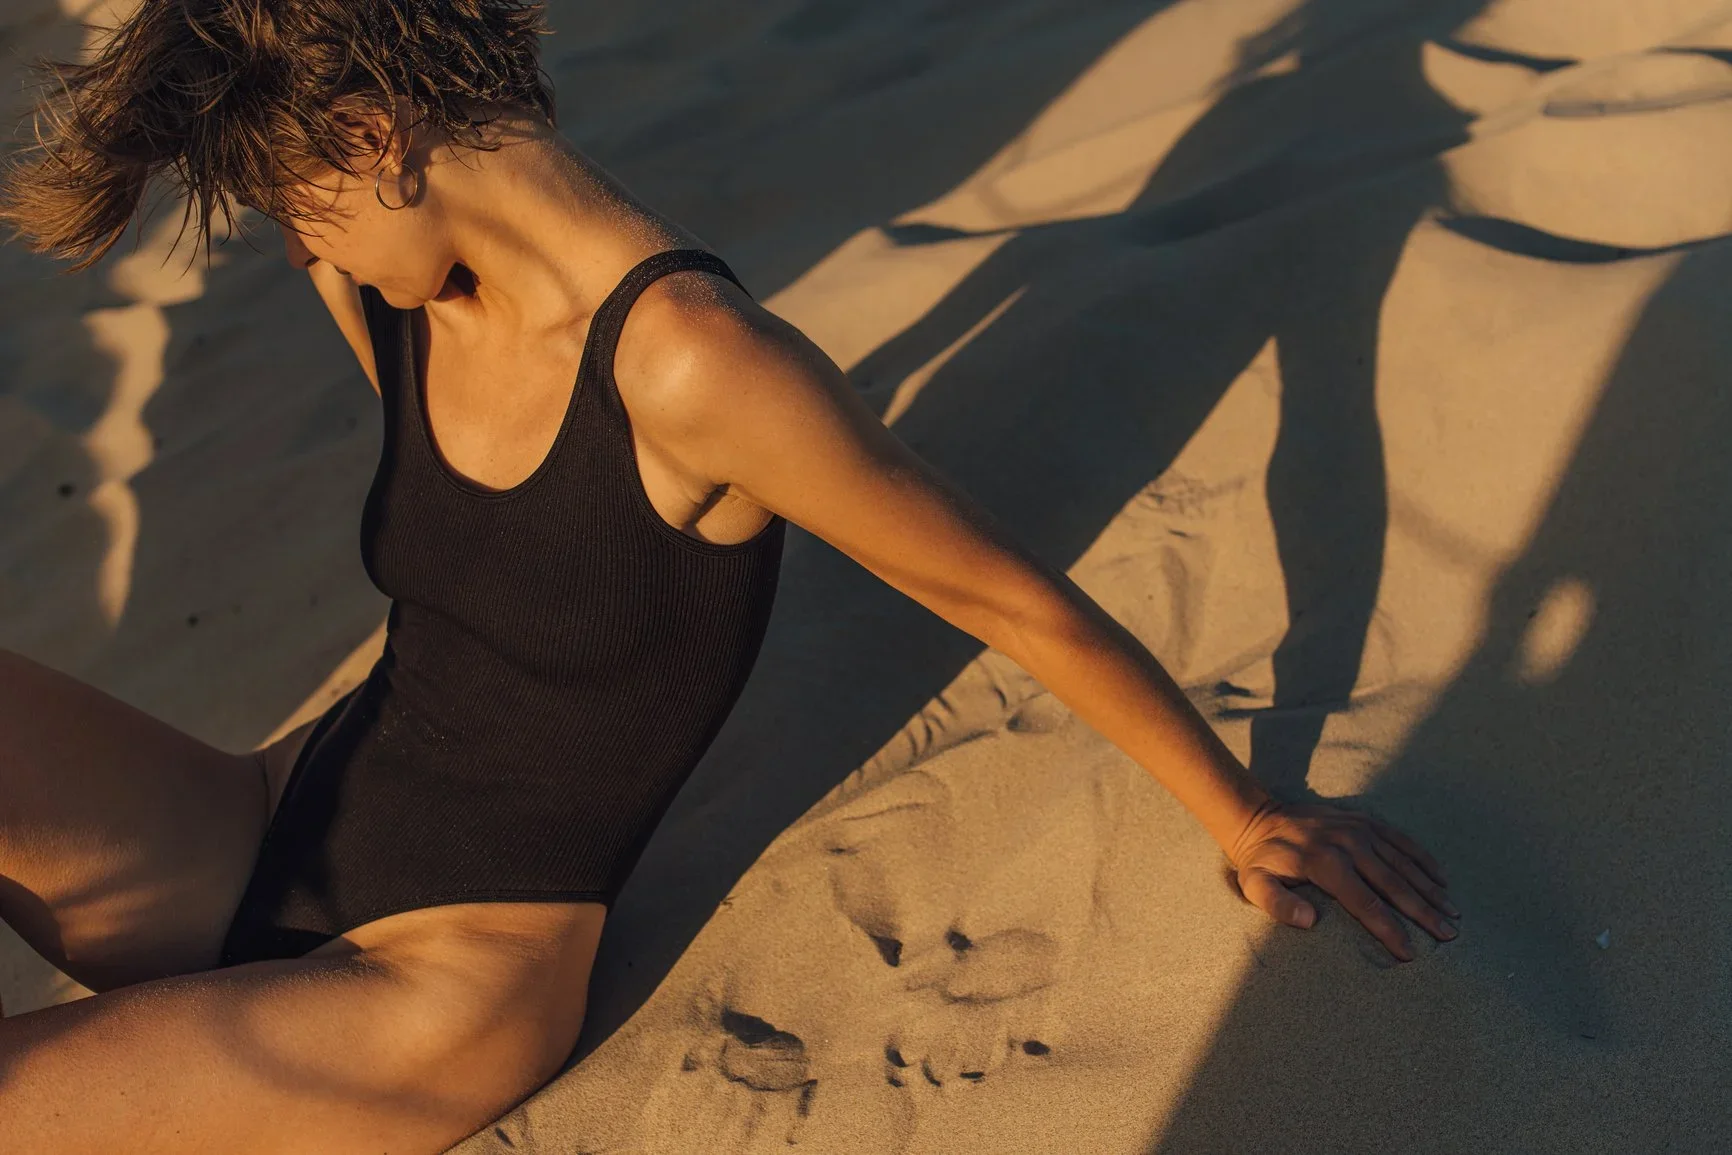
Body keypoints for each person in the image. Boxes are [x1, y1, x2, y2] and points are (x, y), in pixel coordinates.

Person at [0, 1, 1457, 1150]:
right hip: (270, 816)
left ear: (376, 133)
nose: (291, 239)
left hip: (432, 980)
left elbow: (1001, 594)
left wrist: (1249, 805)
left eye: (292, 201)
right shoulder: (389, 288)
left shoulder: (693, 364)